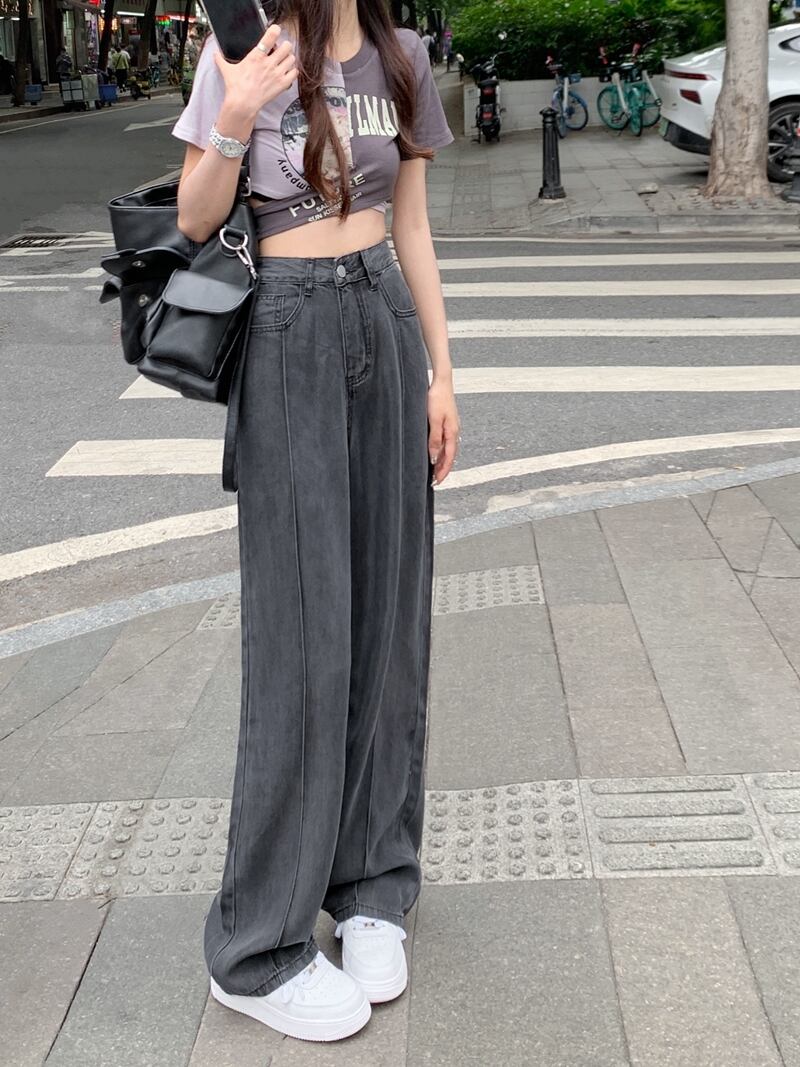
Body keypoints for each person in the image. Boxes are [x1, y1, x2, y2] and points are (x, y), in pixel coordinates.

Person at [170, 0, 458, 1045]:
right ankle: (257, 946)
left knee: (388, 623)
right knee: (301, 638)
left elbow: (413, 224)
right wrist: (237, 112)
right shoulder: (241, 51)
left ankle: (372, 883)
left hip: (382, 316)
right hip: (288, 328)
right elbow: (194, 217)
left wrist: (440, 374)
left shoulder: (401, 56)